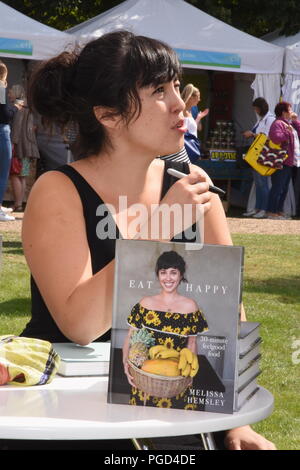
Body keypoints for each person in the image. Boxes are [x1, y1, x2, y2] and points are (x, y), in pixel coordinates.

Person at [20, 30, 275, 450]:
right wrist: (158, 229)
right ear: (109, 115)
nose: (180, 103)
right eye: (158, 89)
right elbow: (81, 326)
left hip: (172, 406)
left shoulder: (195, 192)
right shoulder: (59, 189)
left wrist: (237, 425)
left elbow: (226, 318)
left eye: (176, 84)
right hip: (69, 417)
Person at [123, 250, 208, 408]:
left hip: (176, 379)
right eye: (163, 272)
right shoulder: (144, 304)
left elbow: (191, 344)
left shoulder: (190, 307)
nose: (168, 278)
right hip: (146, 378)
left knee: (179, 427)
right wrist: (126, 366)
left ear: (181, 275)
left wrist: (189, 374)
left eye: (173, 273)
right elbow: (130, 337)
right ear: (158, 275)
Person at [242, 97, 275, 218]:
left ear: (261, 108)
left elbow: (266, 138)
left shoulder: (270, 119)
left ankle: (263, 209)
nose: (255, 111)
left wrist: (252, 134)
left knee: (263, 183)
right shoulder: (261, 120)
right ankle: (257, 208)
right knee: (258, 183)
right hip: (255, 155)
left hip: (263, 156)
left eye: (256, 109)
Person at [9, 86, 40, 212]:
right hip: (29, 148)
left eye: (10, 91)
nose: (9, 93)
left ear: (16, 93)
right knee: (22, 176)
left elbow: (16, 128)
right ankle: (20, 204)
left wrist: (12, 143)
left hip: (19, 148)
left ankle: (17, 204)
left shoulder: (19, 108)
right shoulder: (29, 108)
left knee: (15, 175)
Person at [267, 101, 300, 219]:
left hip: (289, 161)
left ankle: (278, 211)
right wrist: (288, 131)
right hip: (281, 161)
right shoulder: (278, 123)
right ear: (283, 112)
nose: (291, 112)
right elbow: (275, 138)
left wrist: (295, 122)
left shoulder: (289, 123)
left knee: (284, 188)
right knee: (278, 187)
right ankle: (271, 211)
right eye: (289, 110)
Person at [0, 62, 20, 221]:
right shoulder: (0, 88)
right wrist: (15, 107)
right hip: (2, 132)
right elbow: (5, 114)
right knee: (3, 172)